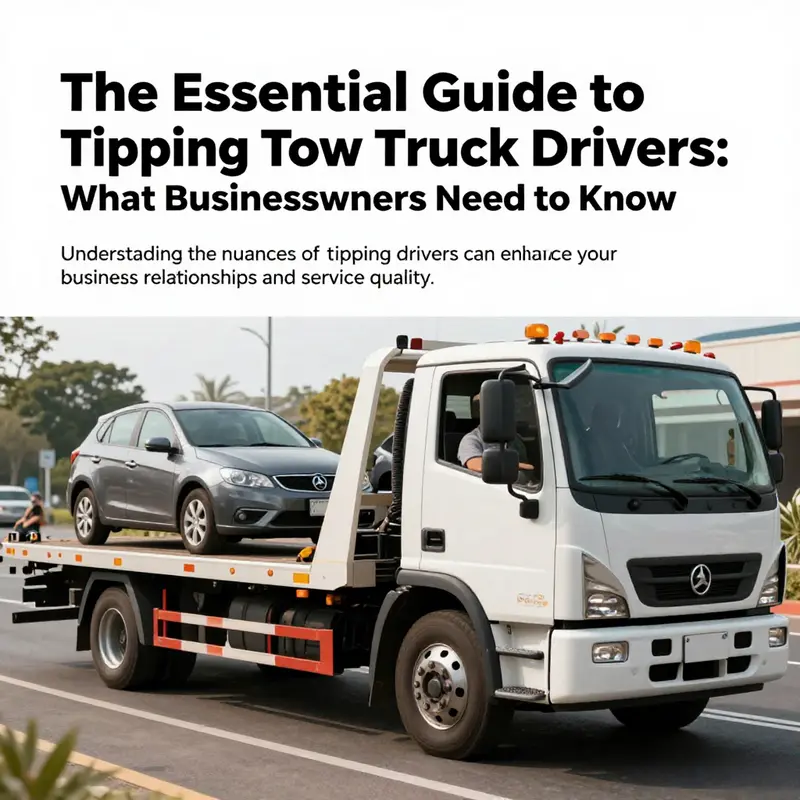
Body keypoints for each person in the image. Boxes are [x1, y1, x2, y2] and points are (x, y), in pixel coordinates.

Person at [457, 394, 537, 479]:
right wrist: (518, 465)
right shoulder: (471, 439)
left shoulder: (514, 437)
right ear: (482, 412)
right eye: (496, 408)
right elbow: (476, 464)